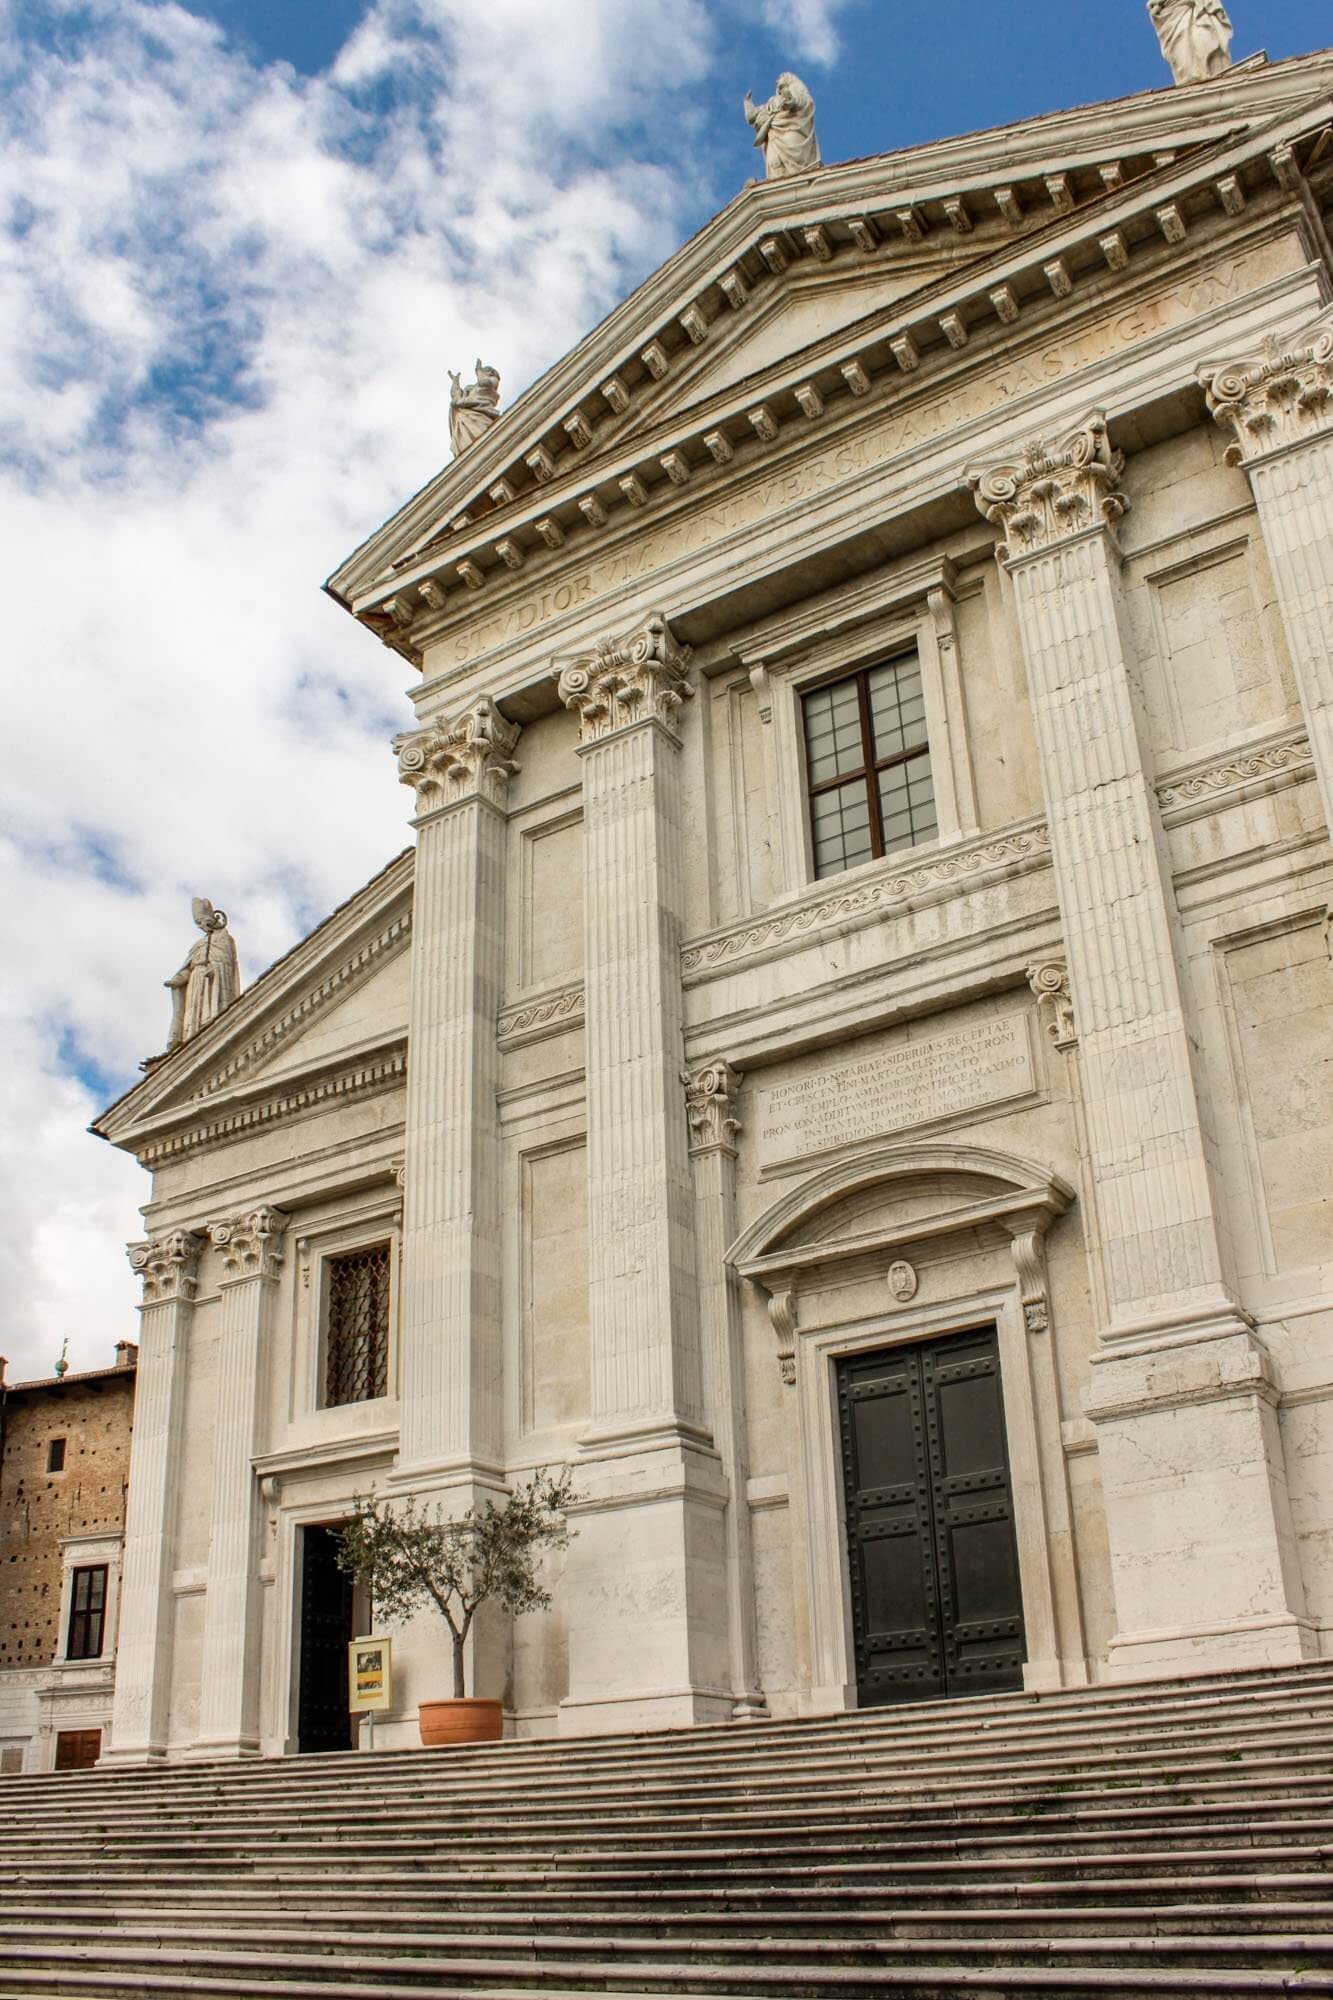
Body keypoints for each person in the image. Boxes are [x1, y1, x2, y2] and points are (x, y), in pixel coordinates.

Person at [165, 898, 241, 1051]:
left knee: (211, 1009)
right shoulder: (198, 945)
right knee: (194, 1014)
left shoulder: (224, 939)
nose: (200, 926)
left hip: (214, 979)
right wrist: (176, 981)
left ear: (210, 919)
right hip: (196, 981)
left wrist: (215, 968)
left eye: (201, 921)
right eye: (197, 923)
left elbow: (225, 962)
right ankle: (192, 1037)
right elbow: (188, 968)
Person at [743, 73, 820, 180]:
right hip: (773, 134)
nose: (778, 84)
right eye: (778, 84)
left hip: (791, 130)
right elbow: (753, 117)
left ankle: (799, 183)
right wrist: (748, 104)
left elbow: (801, 103)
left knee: (795, 161)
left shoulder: (799, 96)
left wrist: (789, 101)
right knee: (774, 162)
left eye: (782, 82)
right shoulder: (773, 101)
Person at [1148, 0, 1234, 84]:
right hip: (1174, 14)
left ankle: (1212, 79)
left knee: (1207, 42)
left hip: (1196, 10)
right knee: (1183, 57)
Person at [448, 360, 502, 457]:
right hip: (465, 414)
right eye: (486, 370)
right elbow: (455, 396)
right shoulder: (472, 388)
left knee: (483, 439)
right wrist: (455, 382)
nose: (487, 372)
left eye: (488, 371)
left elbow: (483, 382)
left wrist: (478, 370)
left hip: (479, 414)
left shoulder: (493, 380)